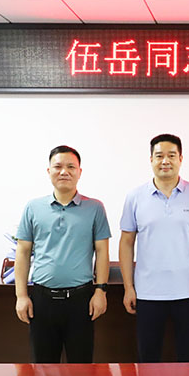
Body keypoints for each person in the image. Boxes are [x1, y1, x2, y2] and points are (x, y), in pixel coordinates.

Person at [15, 145, 111, 363]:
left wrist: (100, 291)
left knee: (81, 367)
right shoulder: (33, 207)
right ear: (48, 171)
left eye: (71, 167)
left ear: (79, 172)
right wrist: (21, 296)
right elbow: (23, 252)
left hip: (81, 300)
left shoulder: (95, 208)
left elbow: (102, 251)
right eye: (58, 167)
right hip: (42, 300)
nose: (64, 172)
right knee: (43, 368)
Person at [119, 134, 189, 362]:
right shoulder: (135, 197)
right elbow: (126, 242)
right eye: (159, 156)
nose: (165, 161)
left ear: (181, 159)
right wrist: (128, 287)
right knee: (148, 360)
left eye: (171, 155)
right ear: (151, 159)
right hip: (148, 292)